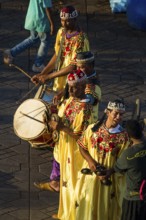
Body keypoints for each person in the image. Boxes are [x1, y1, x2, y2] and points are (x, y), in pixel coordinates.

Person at [35, 70, 94, 219]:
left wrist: (60, 127)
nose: (71, 90)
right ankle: (65, 213)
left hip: (76, 152)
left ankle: (74, 215)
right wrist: (50, 120)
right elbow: (60, 119)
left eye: (75, 87)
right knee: (65, 183)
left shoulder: (85, 109)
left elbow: (81, 135)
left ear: (83, 86)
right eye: (70, 87)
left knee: (73, 184)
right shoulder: (70, 100)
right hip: (64, 148)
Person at [71, 100, 130, 220]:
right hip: (91, 177)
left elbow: (123, 161)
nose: (118, 117)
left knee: (106, 208)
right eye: (116, 113)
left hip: (111, 179)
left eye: (121, 114)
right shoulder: (93, 129)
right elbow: (82, 147)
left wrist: (110, 172)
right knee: (87, 204)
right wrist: (91, 162)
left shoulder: (124, 137)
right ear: (107, 112)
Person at [31, 5, 90, 91]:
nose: (64, 24)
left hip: (75, 83)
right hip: (59, 79)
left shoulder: (81, 40)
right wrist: (42, 74)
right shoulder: (61, 32)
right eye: (62, 21)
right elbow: (58, 55)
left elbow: (73, 66)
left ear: (75, 20)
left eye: (68, 21)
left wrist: (49, 76)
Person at [109, 120, 146, 220]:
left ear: (128, 136)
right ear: (142, 130)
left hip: (133, 200)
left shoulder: (128, 154)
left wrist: (114, 154)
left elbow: (115, 169)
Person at [4, 0, 54, 73]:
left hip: (33, 18)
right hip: (41, 20)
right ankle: (38, 65)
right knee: (45, 41)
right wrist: (52, 23)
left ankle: (11, 53)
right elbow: (47, 8)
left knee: (33, 38)